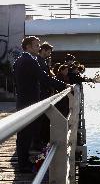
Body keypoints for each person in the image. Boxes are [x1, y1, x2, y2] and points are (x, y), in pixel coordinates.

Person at [13, 36, 67, 173]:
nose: (39, 48)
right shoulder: (29, 61)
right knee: (25, 134)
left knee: (24, 134)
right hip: (28, 102)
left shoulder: (19, 60)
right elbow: (43, 78)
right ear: (28, 47)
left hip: (23, 100)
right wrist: (64, 85)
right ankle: (23, 165)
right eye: (36, 45)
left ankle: (23, 161)